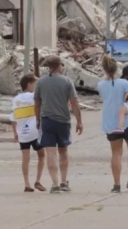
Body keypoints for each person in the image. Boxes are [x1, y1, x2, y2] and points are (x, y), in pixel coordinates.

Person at [34, 55, 83, 194]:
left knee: (50, 152)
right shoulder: (67, 81)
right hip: (63, 120)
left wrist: (37, 119)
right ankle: (63, 181)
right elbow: (74, 102)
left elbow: (37, 103)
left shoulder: (41, 82)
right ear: (59, 66)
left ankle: (54, 183)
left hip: (47, 120)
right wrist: (79, 120)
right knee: (63, 151)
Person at [98, 56, 128, 193]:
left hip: (110, 122)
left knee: (116, 152)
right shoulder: (124, 83)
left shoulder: (100, 85)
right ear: (116, 69)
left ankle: (116, 184)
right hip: (127, 121)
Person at [10, 73, 47, 193]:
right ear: (29, 85)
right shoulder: (34, 96)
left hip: (22, 133)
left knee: (25, 158)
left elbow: (13, 118)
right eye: (35, 84)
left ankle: (26, 183)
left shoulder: (16, 99)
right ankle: (38, 180)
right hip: (35, 132)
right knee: (42, 155)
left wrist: (15, 132)